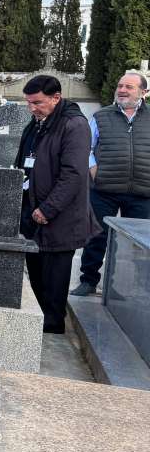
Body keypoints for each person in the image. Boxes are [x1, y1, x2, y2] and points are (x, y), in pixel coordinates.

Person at [14, 74, 100, 334]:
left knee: (54, 275)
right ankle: (38, 319)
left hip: (59, 216)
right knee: (37, 270)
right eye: (28, 103)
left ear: (56, 98)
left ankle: (51, 324)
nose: (32, 108)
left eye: (37, 102)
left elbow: (74, 174)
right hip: (32, 209)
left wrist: (48, 208)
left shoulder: (74, 125)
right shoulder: (38, 122)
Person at [72, 70, 150, 296]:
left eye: (129, 87)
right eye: (120, 86)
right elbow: (85, 146)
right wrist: (94, 169)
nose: (122, 90)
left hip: (142, 191)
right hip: (104, 189)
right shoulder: (100, 116)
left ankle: (141, 288)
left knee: (139, 242)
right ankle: (88, 281)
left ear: (143, 92)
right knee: (96, 236)